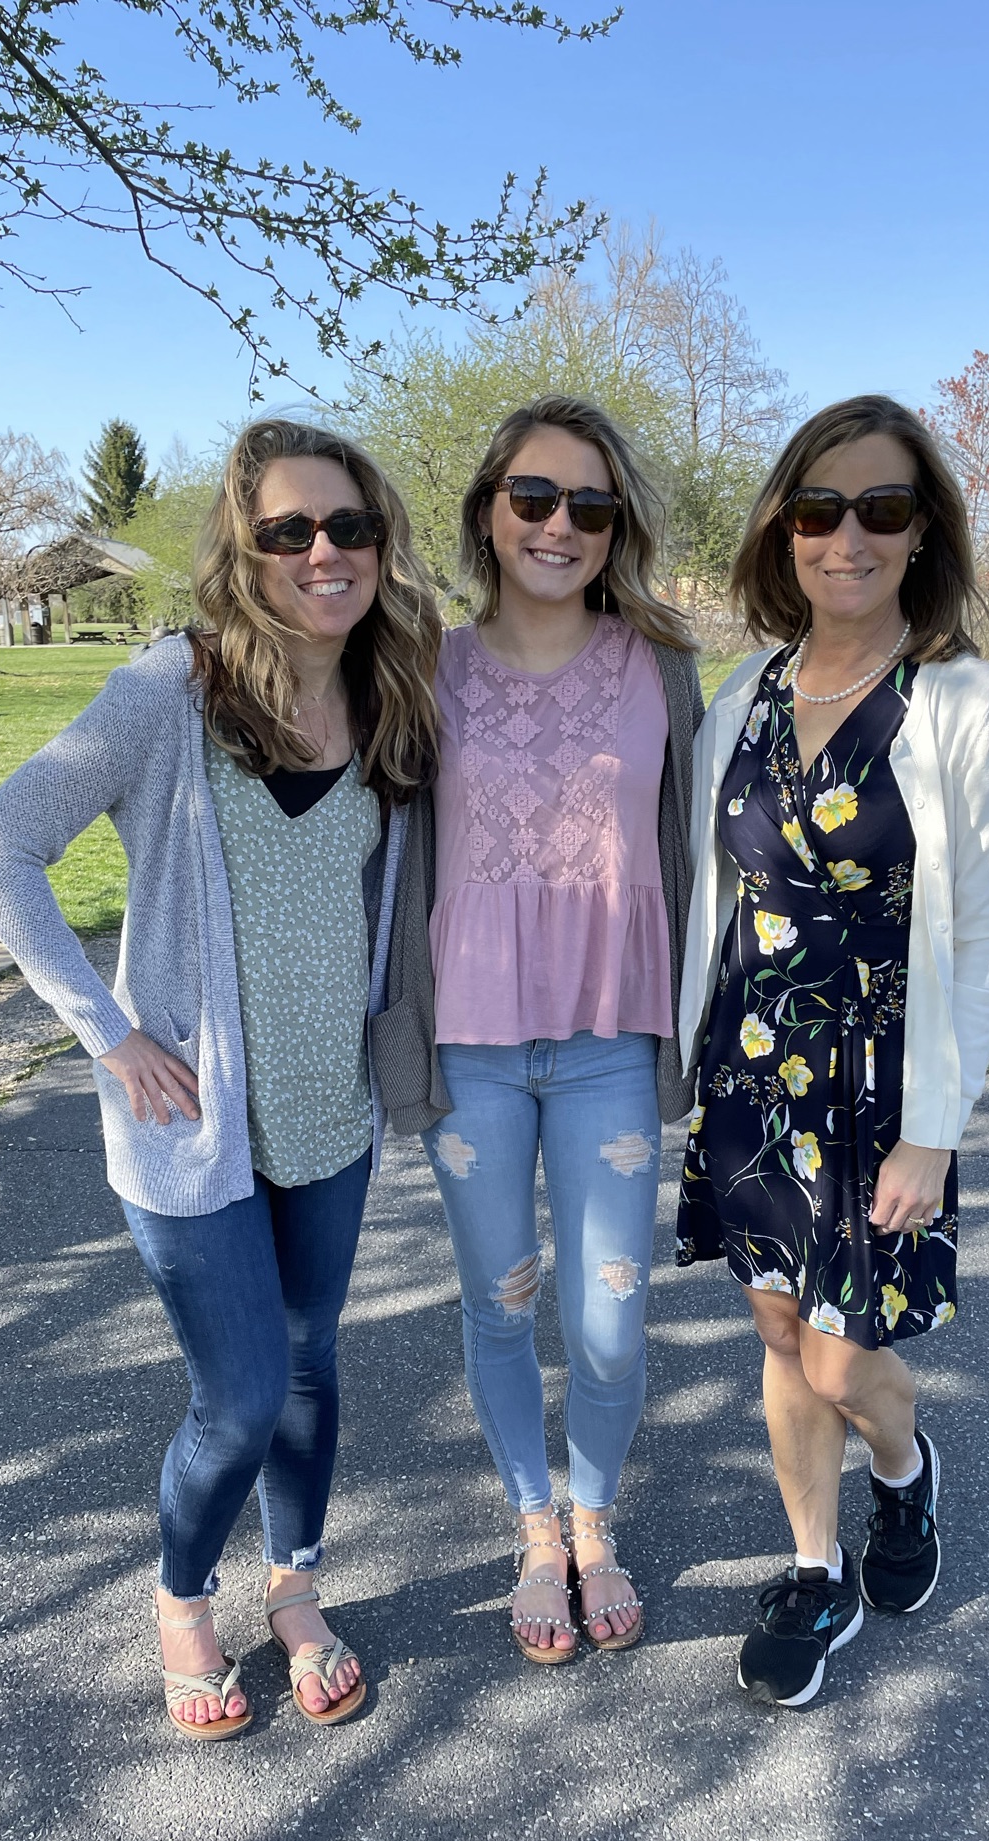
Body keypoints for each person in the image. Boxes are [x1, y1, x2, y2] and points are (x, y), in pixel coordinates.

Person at [0, 420, 441, 1737]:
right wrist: (105, 1030)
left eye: (348, 527)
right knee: (236, 1395)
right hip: (191, 1131)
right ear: (244, 548)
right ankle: (182, 1595)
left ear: (381, 543)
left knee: (309, 1363)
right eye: (290, 531)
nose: (323, 552)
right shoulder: (171, 690)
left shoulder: (393, 689)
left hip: (329, 1117)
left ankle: (296, 1588)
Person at [676, 395, 989, 1707]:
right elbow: (716, 893)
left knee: (843, 1353)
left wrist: (938, 1128)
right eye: (819, 509)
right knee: (780, 1331)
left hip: (883, 1090)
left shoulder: (963, 702)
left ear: (921, 529)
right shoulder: (744, 692)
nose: (847, 536)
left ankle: (905, 1472)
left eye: (882, 509)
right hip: (753, 1076)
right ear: (783, 529)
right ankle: (814, 1567)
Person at [372, 394, 703, 1664]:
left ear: (617, 529)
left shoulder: (659, 663)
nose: (560, 525)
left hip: (615, 1035)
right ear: (488, 512)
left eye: (591, 505)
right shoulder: (426, 663)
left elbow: (709, 841)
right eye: (534, 498)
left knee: (611, 1315)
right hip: (475, 1047)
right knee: (502, 1300)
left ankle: (599, 1517)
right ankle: (536, 1530)